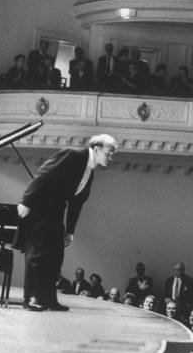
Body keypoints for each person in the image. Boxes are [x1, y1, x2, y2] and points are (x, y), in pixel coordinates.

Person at [13, 133, 118, 311]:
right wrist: (26, 201)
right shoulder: (73, 155)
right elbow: (43, 174)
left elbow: (76, 204)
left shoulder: (89, 172)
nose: (111, 156)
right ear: (97, 148)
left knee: (55, 257)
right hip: (38, 211)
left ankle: (47, 299)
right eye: (109, 152)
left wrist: (70, 231)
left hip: (54, 215)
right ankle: (30, 299)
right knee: (36, 257)